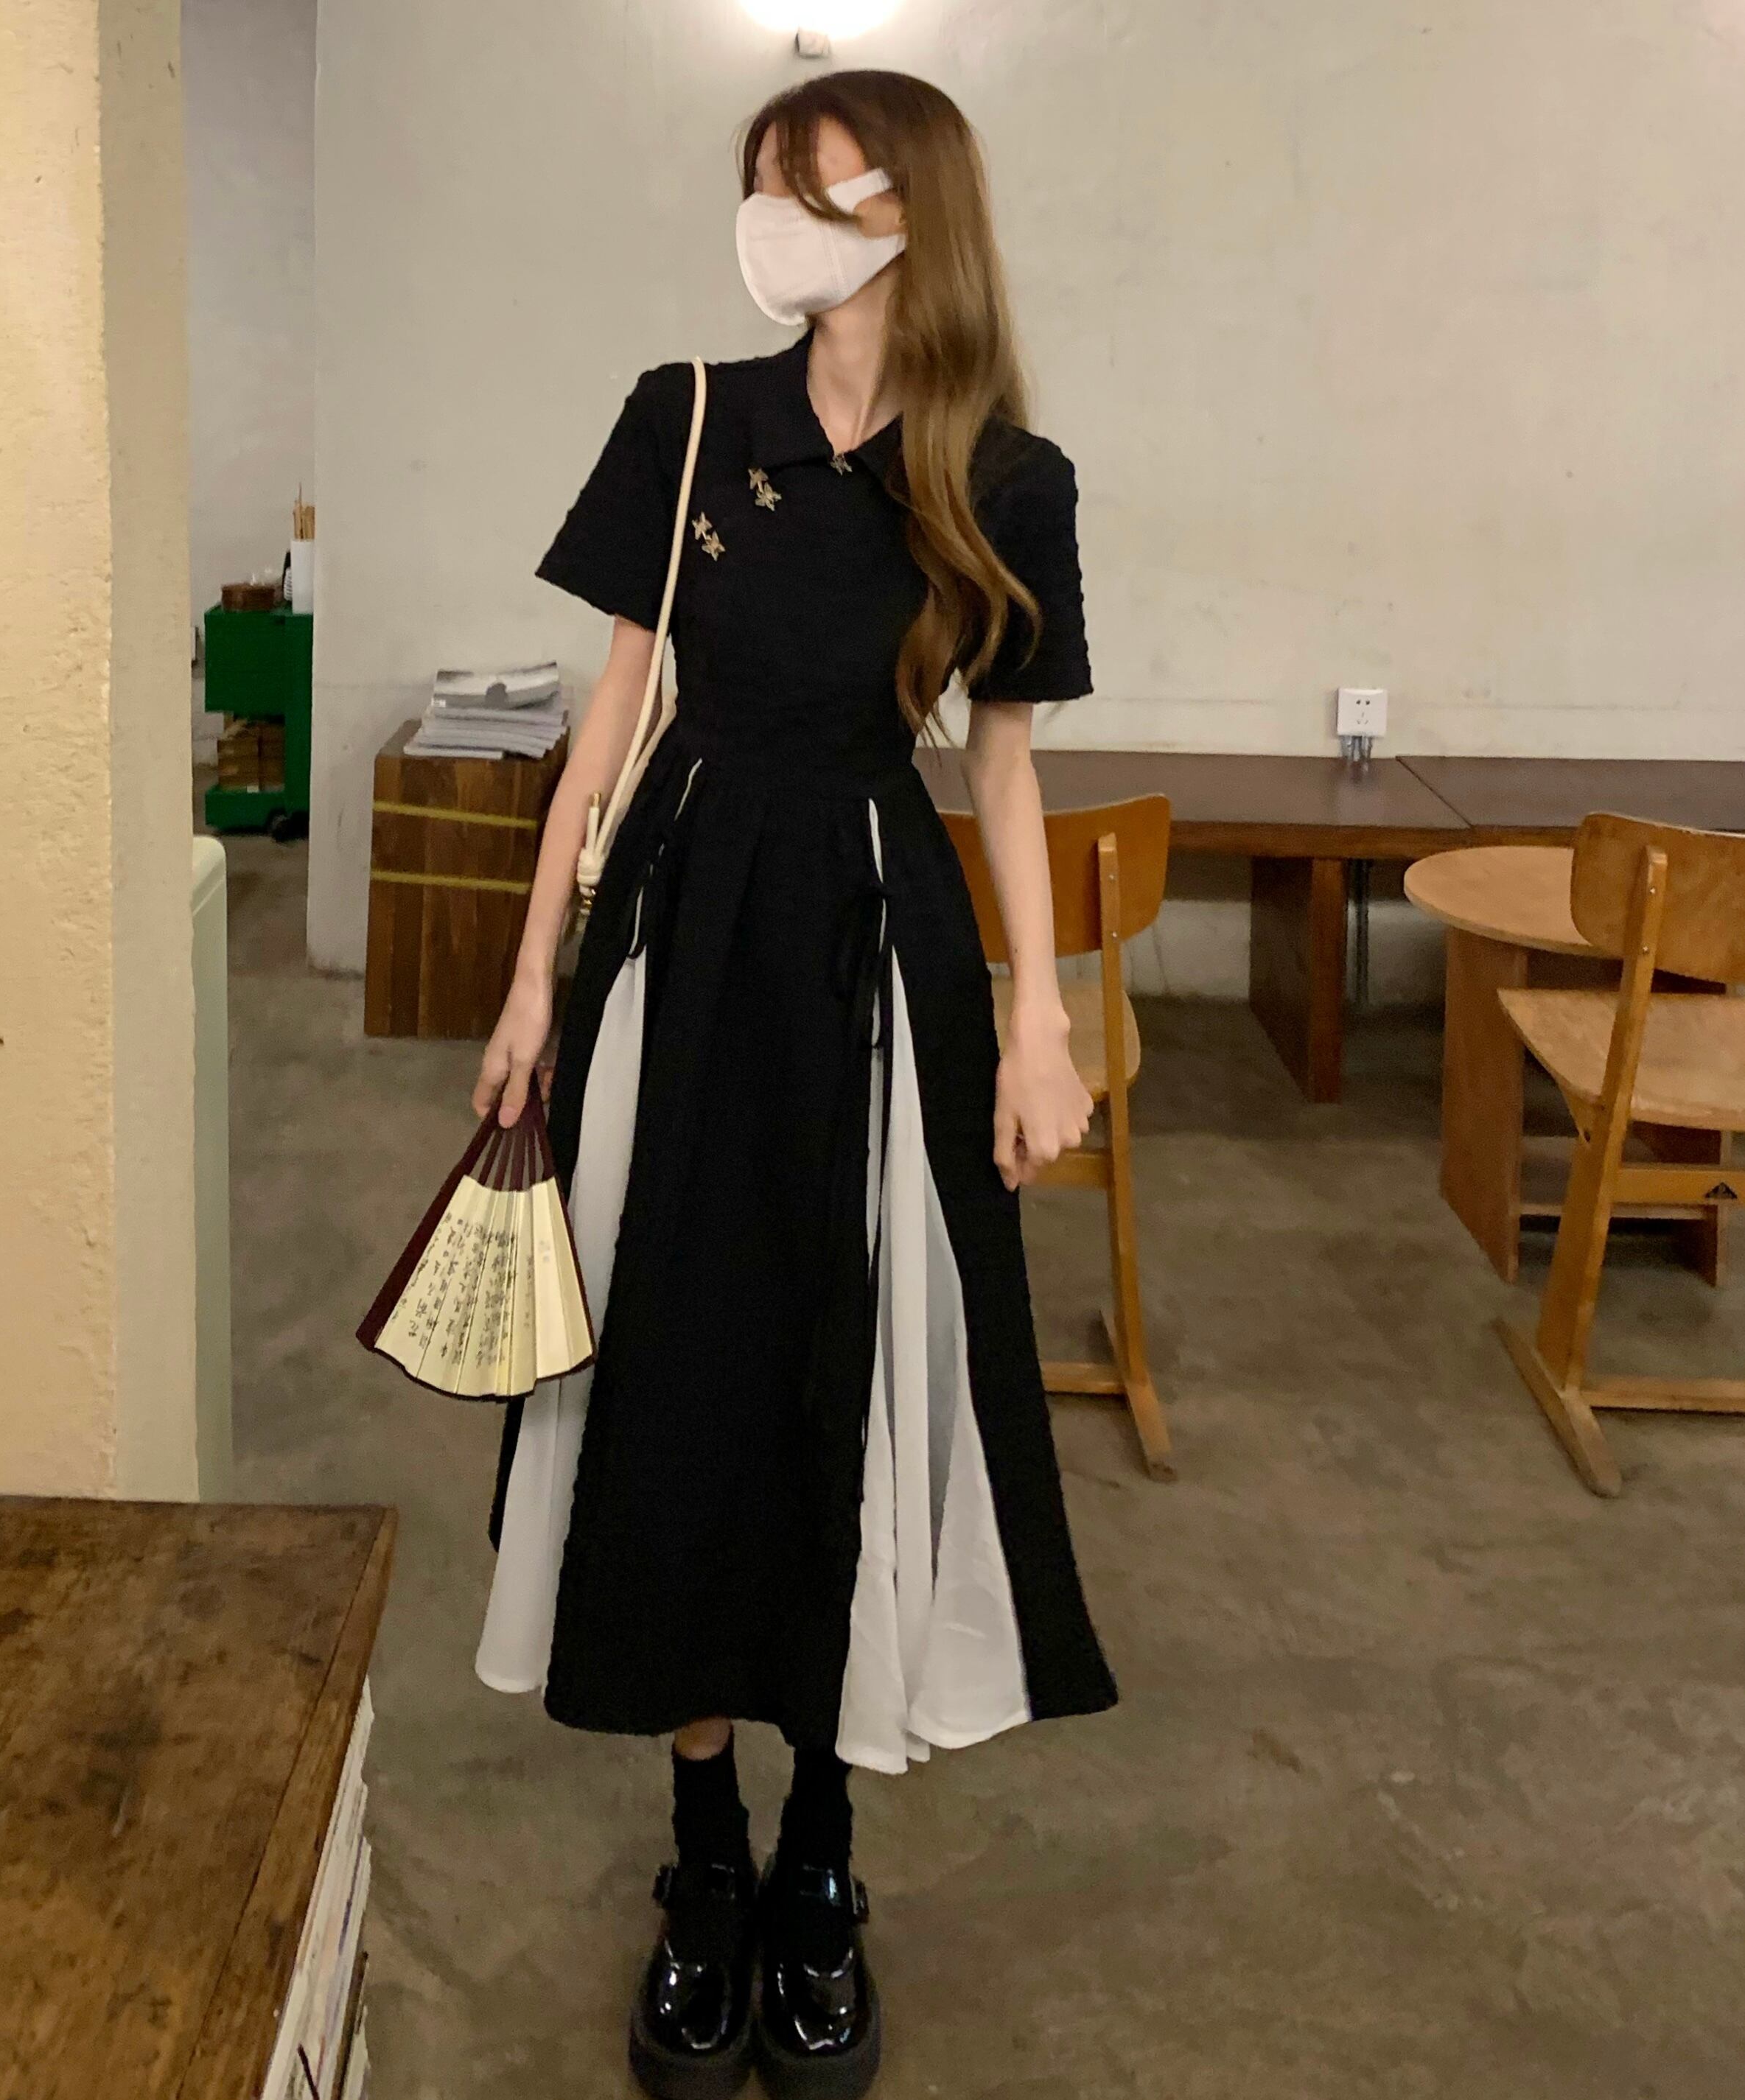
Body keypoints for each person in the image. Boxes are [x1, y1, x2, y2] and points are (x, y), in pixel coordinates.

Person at [469, 69, 1116, 2100]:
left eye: (808, 188)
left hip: (873, 940)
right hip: (679, 928)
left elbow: (1002, 762)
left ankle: (822, 1860)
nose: (772, 221)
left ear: (905, 211)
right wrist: (531, 975)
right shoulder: (687, 418)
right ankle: (704, 1857)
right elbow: (610, 721)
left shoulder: (1005, 475)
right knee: (670, 1366)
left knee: (854, 1369)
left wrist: (1038, 1017)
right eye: (760, 186)